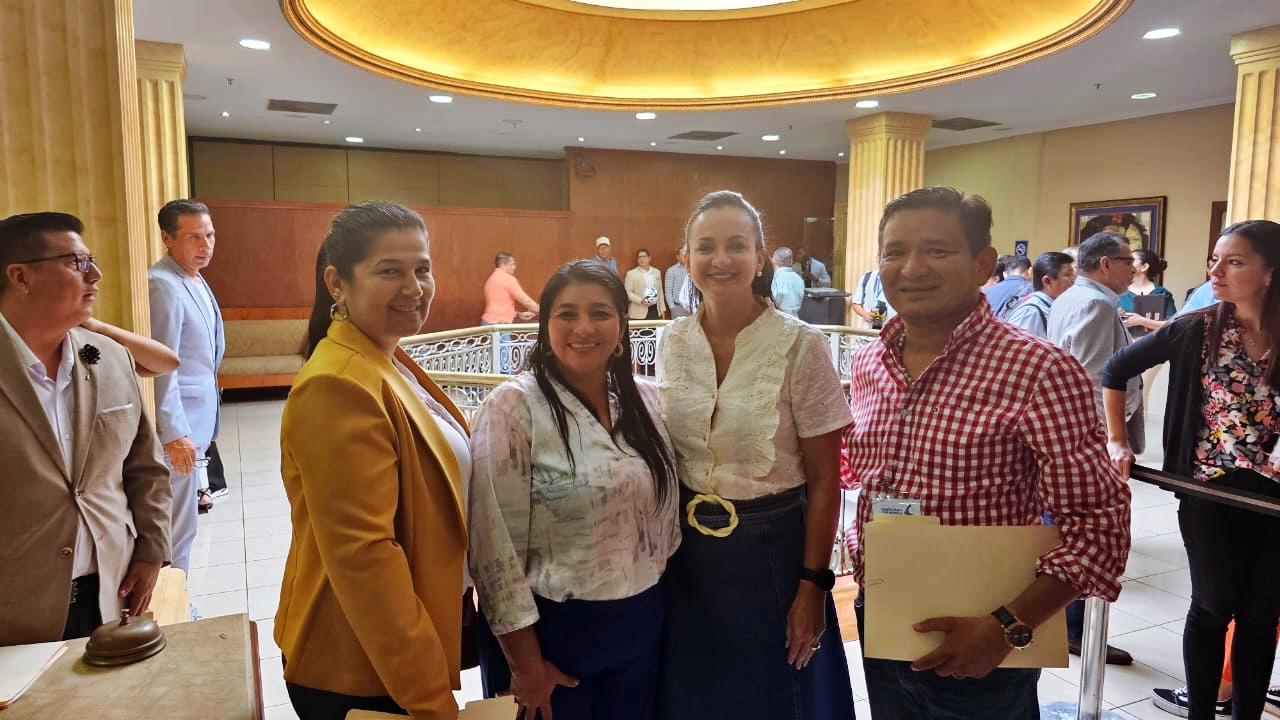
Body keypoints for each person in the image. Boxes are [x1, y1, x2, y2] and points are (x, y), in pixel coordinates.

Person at [845, 187, 1131, 719]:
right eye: (894, 252)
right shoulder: (869, 363)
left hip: (986, 635)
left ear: (982, 264)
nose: (912, 268)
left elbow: (1099, 526)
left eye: (936, 250)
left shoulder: (1038, 370)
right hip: (883, 613)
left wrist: (1006, 628)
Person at [657, 190, 855, 719]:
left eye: (736, 245)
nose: (720, 259)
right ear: (685, 259)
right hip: (687, 554)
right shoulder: (672, 341)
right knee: (698, 695)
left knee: (778, 696)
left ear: (760, 257)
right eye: (706, 247)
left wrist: (814, 585)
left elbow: (826, 479)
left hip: (775, 552)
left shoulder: (801, 345)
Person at [275, 201, 470, 720]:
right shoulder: (337, 384)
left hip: (390, 655)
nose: (414, 288)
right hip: (361, 667)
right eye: (390, 271)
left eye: (422, 269)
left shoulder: (383, 356)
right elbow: (366, 559)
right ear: (337, 283)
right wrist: (430, 699)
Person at [469, 260, 679, 720]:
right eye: (567, 314)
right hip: (552, 637)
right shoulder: (512, 409)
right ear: (545, 327)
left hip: (642, 629)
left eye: (600, 313)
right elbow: (493, 549)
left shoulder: (646, 401)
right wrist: (525, 664)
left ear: (621, 327)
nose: (584, 328)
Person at [1103, 220, 1280, 720]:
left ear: (1270, 272)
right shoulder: (1197, 328)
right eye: (1215, 260)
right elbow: (1116, 369)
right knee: (1212, 605)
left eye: (1234, 262)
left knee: (1261, 614)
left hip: (1274, 497)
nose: (1216, 271)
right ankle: (1201, 711)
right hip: (1209, 489)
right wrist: (1117, 440)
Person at [0, 211, 172, 645]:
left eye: (90, 261)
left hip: (112, 591)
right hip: (16, 609)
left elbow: (145, 466)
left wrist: (152, 550)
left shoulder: (110, 357)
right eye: (76, 262)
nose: (95, 275)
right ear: (20, 277)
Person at [149, 199, 225, 569]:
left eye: (209, 235)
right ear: (167, 238)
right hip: (180, 429)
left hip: (198, 421)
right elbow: (162, 366)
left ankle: (178, 588)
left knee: (186, 522)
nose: (205, 245)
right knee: (176, 527)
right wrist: (174, 432)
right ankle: (172, 592)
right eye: (194, 237)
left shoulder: (193, 277)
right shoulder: (162, 284)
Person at [1003, 251, 1076, 338]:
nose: (1074, 280)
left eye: (1074, 275)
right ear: (1047, 281)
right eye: (1068, 275)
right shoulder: (1030, 313)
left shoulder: (1054, 308)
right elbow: (1014, 344)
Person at [1119, 248, 1178, 335]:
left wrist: (1142, 321)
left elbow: (1173, 325)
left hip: (1154, 342)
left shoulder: (1162, 293)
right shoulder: (1119, 291)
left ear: (1144, 267)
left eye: (1131, 261)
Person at [481, 252, 539, 324]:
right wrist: (543, 311)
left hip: (488, 322)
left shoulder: (490, 280)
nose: (514, 267)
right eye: (512, 264)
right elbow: (526, 301)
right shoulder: (507, 279)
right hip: (498, 323)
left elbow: (499, 304)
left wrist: (518, 314)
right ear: (503, 265)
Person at [624, 247, 665, 320]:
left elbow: (660, 291)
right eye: (639, 257)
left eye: (644, 257)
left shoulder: (657, 272)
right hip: (638, 311)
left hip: (655, 310)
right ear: (637, 260)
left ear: (649, 258)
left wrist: (662, 309)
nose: (642, 259)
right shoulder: (631, 274)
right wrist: (640, 301)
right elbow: (627, 292)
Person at [851, 263, 895, 329]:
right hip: (869, 330)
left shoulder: (901, 279)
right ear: (877, 259)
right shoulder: (867, 277)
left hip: (892, 330)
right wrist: (864, 314)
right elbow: (856, 304)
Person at [770, 246, 805, 316]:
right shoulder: (799, 278)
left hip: (779, 319)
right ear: (791, 261)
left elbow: (775, 301)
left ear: (773, 260)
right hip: (795, 318)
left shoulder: (775, 277)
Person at [665, 245, 690, 319]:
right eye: (682, 255)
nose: (685, 257)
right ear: (677, 257)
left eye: (686, 255)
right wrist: (672, 307)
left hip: (692, 307)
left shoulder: (693, 269)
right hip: (678, 307)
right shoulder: (671, 270)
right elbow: (668, 291)